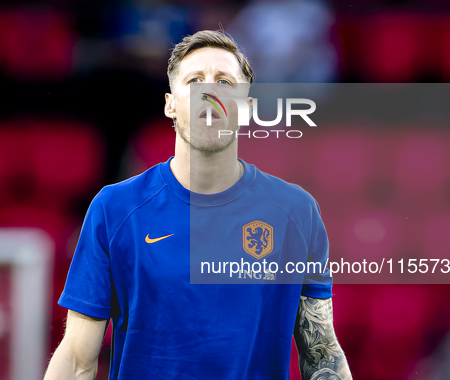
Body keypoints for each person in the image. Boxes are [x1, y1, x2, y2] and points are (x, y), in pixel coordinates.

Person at [43, 30, 352, 380]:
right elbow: (77, 358)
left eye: (224, 81)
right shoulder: (115, 208)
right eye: (195, 80)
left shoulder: (296, 212)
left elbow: (322, 352)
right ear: (170, 104)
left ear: (247, 108)